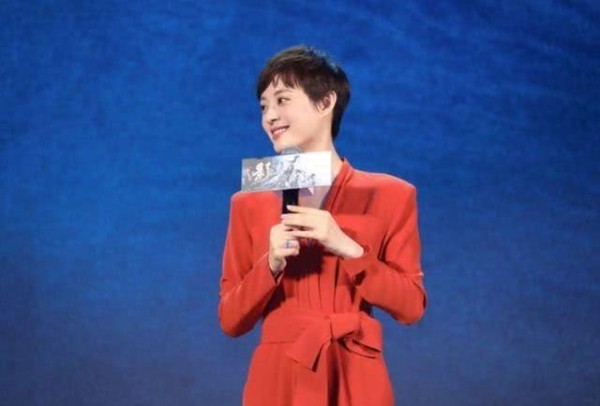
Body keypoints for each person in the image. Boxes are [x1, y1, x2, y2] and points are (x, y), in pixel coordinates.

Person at [218, 45, 427, 406]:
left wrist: (348, 247)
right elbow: (230, 320)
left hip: (356, 373)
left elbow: (411, 307)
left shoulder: (392, 194)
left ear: (326, 101)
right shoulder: (247, 202)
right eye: (264, 106)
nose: (270, 116)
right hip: (278, 377)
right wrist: (270, 264)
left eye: (282, 100)